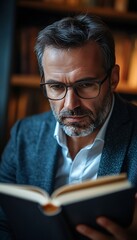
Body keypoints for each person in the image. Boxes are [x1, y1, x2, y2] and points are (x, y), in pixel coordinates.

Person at [0, 14, 137, 240]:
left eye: (85, 85)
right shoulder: (23, 134)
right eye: (55, 87)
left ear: (113, 78)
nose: (70, 104)